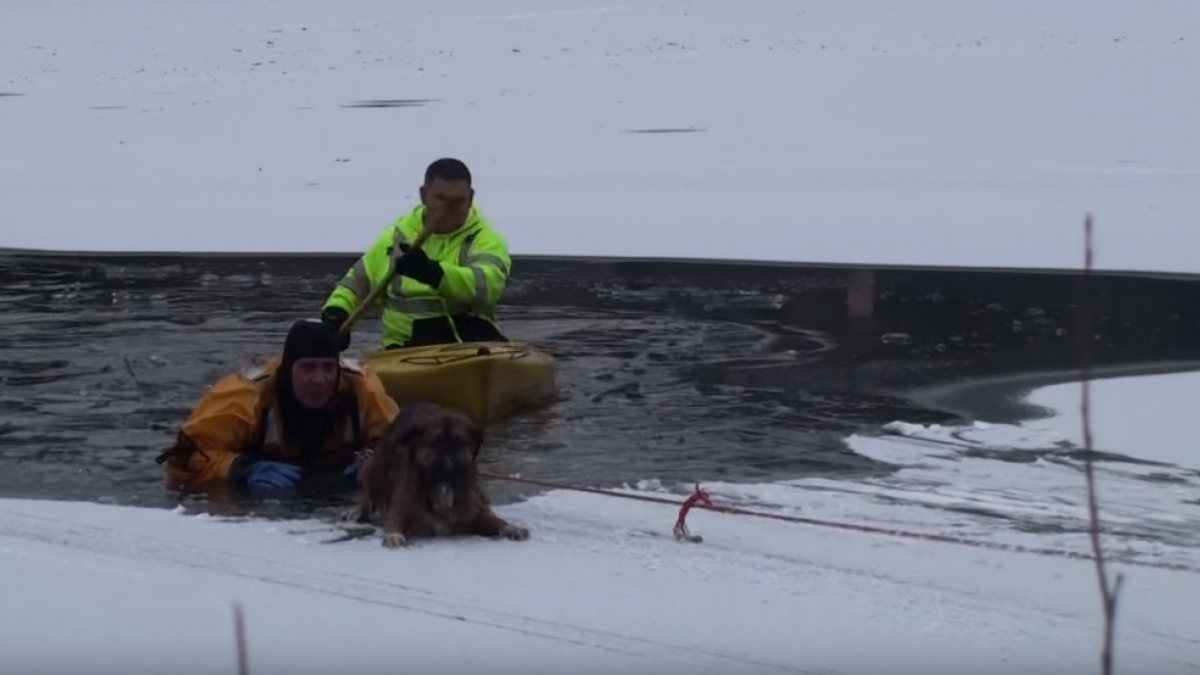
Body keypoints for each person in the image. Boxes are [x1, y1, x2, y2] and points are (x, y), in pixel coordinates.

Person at [156, 319, 400, 493]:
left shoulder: (361, 388)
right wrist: (239, 469)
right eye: (307, 367)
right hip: (264, 490)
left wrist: (375, 460)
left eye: (328, 368)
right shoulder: (244, 396)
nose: (319, 379)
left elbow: (401, 442)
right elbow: (182, 458)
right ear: (287, 371)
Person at [320, 157, 512, 350]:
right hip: (404, 349)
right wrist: (336, 313)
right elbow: (356, 284)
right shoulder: (395, 239)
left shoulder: (486, 239)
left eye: (457, 201)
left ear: (470, 198)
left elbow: (487, 287)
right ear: (423, 195)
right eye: (441, 199)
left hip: (471, 345)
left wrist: (433, 273)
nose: (448, 209)